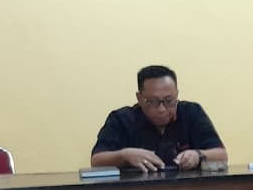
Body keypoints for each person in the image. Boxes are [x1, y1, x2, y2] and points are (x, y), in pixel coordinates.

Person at [91, 65, 227, 171]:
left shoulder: (191, 112)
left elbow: (221, 155)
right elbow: (96, 161)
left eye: (169, 101)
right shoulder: (122, 119)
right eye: (153, 101)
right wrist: (124, 155)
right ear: (139, 98)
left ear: (177, 94)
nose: (162, 109)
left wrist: (198, 155)